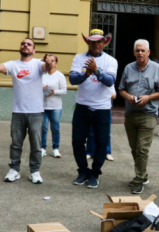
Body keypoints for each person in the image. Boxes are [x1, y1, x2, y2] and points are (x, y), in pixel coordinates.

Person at [0, 39, 47, 184]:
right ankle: (14, 170)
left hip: (36, 112)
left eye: (29, 44)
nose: (25, 45)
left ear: (34, 50)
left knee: (36, 144)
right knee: (16, 144)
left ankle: (35, 171)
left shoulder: (38, 64)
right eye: (23, 43)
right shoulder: (13, 64)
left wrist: (49, 62)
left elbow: (47, 67)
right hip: (18, 112)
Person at [117, 39, 159, 194]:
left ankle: (139, 179)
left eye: (143, 50)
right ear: (134, 52)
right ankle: (143, 175)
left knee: (142, 149)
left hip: (148, 114)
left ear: (148, 52)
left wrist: (148, 97)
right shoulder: (128, 68)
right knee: (134, 149)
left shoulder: (156, 68)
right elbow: (121, 89)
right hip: (131, 114)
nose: (140, 53)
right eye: (137, 50)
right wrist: (129, 97)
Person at [69, 29, 118, 189]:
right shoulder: (79, 58)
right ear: (88, 42)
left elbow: (110, 81)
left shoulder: (111, 61)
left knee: (101, 143)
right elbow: (73, 79)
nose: (96, 44)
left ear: (104, 43)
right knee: (77, 141)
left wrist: (96, 71)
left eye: (99, 41)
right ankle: (83, 171)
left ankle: (95, 173)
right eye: (93, 41)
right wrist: (86, 74)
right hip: (82, 106)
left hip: (102, 108)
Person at [41, 54, 67, 158]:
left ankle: (55, 149)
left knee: (55, 128)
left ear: (56, 63)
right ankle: (42, 148)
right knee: (43, 128)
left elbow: (64, 90)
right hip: (42, 106)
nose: (50, 62)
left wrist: (54, 92)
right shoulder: (42, 74)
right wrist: (41, 89)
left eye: (52, 60)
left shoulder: (60, 75)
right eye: (48, 60)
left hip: (55, 107)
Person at [87, 87, 116, 161]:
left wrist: (106, 94)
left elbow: (114, 95)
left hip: (105, 108)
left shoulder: (109, 82)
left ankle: (107, 152)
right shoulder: (93, 83)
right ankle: (90, 152)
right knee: (91, 131)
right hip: (93, 107)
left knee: (106, 132)